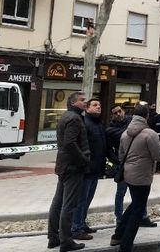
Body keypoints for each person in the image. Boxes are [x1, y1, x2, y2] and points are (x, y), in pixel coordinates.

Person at [110, 103, 160, 252]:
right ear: (146, 116)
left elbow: (121, 155)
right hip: (143, 175)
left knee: (136, 204)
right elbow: (158, 156)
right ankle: (125, 245)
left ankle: (118, 235)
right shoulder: (150, 134)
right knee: (138, 210)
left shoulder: (125, 133)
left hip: (128, 174)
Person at [47, 91, 90, 251]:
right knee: (68, 205)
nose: (85, 103)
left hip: (63, 165)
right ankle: (66, 241)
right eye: (82, 100)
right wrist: (83, 160)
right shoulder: (74, 118)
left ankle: (53, 237)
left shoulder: (66, 116)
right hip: (72, 167)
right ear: (73, 103)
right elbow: (70, 143)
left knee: (58, 202)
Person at [106, 106, 155, 228]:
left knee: (139, 194)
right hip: (123, 164)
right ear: (112, 115)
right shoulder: (110, 130)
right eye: (115, 113)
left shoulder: (132, 122)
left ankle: (142, 216)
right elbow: (108, 150)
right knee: (121, 192)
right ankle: (119, 217)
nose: (118, 114)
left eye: (119, 111)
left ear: (123, 111)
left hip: (137, 164)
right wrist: (117, 161)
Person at [71, 98, 106, 240]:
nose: (98, 107)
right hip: (86, 169)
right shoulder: (85, 123)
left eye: (99, 105)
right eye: (95, 105)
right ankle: (76, 227)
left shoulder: (99, 123)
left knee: (88, 198)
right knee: (81, 200)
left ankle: (82, 223)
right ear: (87, 108)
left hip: (96, 168)